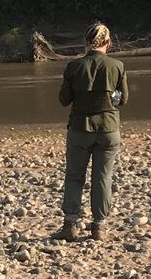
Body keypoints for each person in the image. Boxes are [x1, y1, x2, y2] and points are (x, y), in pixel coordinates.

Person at [52, 21, 129, 242]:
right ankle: (99, 227)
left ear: (86, 42)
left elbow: (63, 100)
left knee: (75, 177)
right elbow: (122, 99)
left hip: (79, 129)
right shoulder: (118, 66)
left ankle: (70, 224)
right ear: (108, 43)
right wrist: (109, 98)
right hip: (108, 129)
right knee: (103, 177)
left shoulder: (74, 67)